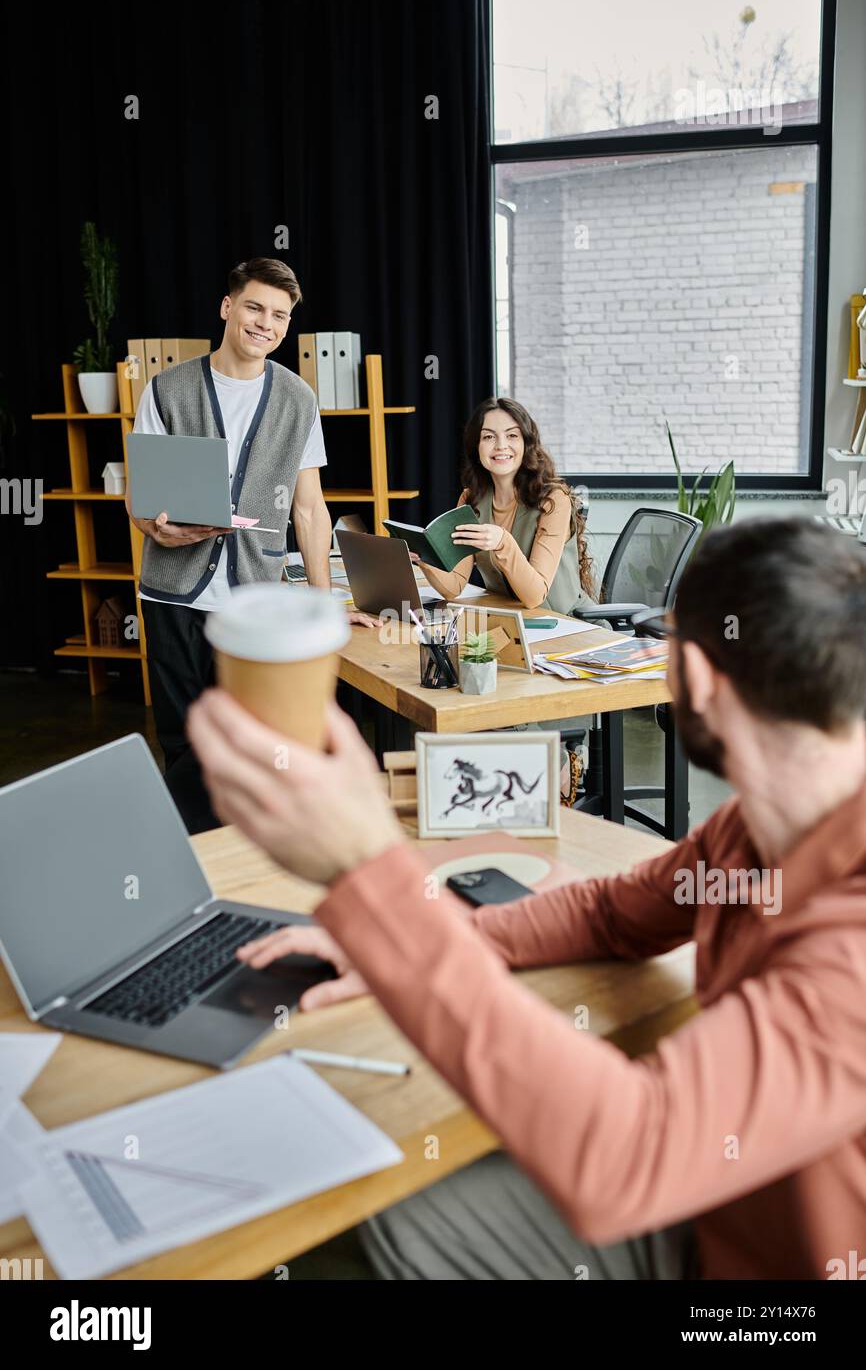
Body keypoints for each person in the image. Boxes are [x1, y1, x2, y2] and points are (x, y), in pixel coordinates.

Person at [187, 517, 866, 1281]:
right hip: (710, 1210)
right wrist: (397, 931)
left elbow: (627, 1157)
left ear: (699, 679)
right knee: (399, 1213)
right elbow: (611, 911)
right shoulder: (760, 827)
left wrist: (368, 874)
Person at [126, 256, 379, 833]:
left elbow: (310, 509)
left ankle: (232, 857)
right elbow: (140, 502)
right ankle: (202, 861)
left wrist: (324, 604)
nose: (266, 323)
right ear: (228, 307)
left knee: (248, 739)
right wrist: (156, 529)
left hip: (254, 604)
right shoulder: (167, 389)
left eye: (280, 315)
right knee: (183, 738)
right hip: (173, 595)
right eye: (255, 307)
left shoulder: (298, 399)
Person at [416, 397, 595, 613]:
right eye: (489, 436)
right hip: (511, 623)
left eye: (512, 435)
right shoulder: (470, 500)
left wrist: (503, 542)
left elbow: (535, 596)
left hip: (566, 623)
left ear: (526, 444)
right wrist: (425, 558)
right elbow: (454, 585)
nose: (501, 445)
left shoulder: (553, 500)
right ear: (477, 446)